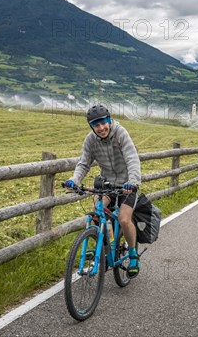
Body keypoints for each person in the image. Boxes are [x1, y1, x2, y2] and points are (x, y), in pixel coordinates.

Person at [64, 104, 142, 277]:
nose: (101, 128)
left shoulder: (120, 133)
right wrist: (74, 180)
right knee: (95, 214)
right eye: (96, 125)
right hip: (106, 184)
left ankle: (132, 253)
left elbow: (132, 159)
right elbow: (83, 164)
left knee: (123, 218)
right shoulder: (90, 140)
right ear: (92, 126)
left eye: (103, 123)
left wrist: (133, 182)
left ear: (109, 120)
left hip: (127, 185)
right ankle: (104, 244)